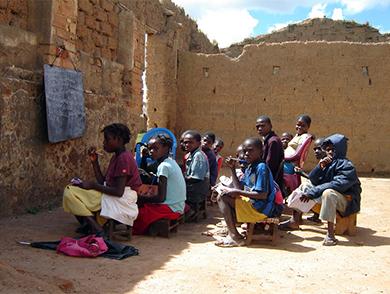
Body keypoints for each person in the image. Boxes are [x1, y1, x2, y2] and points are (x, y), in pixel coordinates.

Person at [283, 135, 361, 246]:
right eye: (327, 149)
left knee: (328, 193)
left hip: (347, 201)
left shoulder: (347, 166)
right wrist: (320, 166)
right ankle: (295, 220)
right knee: (306, 186)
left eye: (332, 150)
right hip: (333, 197)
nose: (329, 152)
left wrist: (314, 192)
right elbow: (313, 179)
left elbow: (337, 185)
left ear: (339, 150)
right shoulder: (328, 163)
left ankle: (330, 235)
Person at [63, 123, 141, 234]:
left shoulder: (123, 159)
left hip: (120, 198)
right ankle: (89, 224)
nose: (104, 143)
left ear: (118, 140)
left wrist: (93, 186)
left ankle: (95, 227)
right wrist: (94, 162)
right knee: (73, 189)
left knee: (69, 192)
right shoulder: (117, 157)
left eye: (107, 140)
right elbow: (103, 182)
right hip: (112, 195)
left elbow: (119, 192)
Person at [215, 138, 277, 247]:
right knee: (223, 195)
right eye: (245, 151)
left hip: (261, 208)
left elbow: (262, 195)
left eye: (250, 150)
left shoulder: (261, 167)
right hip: (254, 204)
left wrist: (236, 191)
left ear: (261, 152)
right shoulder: (250, 167)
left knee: (222, 198)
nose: (246, 154)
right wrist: (232, 169)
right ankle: (232, 231)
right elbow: (240, 187)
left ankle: (235, 236)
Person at [133, 134, 186, 235]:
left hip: (171, 208)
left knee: (137, 213)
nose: (151, 151)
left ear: (166, 148)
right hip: (179, 205)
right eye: (150, 149)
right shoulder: (171, 162)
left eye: (155, 148)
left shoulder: (164, 166)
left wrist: (141, 199)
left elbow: (161, 198)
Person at [182, 130, 210, 215]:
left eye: (190, 142)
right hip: (197, 187)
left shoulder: (198, 156)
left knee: (171, 190)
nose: (187, 145)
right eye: (185, 142)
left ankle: (188, 210)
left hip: (197, 189)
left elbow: (195, 178)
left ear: (198, 143)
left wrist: (180, 180)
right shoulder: (192, 154)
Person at [255, 115, 284, 190]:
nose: (260, 128)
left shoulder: (273, 141)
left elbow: (270, 165)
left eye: (263, 126)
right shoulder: (267, 140)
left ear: (270, 126)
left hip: (271, 181)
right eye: (257, 127)